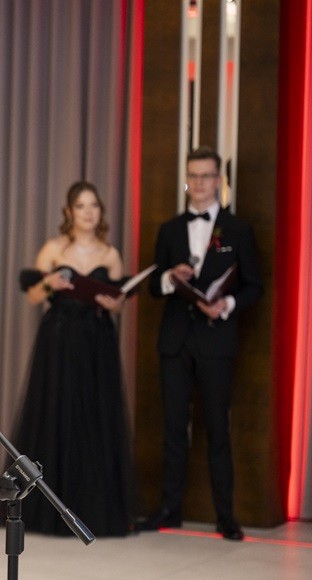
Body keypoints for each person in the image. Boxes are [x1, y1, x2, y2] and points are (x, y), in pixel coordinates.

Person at [0, 181, 134, 537]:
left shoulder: (110, 254)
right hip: (59, 340)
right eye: (81, 206)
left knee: (94, 418)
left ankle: (93, 508)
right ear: (69, 211)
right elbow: (33, 296)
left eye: (94, 206)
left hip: (97, 342)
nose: (88, 212)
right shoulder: (54, 249)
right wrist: (49, 285)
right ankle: (47, 508)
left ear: (101, 212)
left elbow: (118, 302)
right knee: (56, 413)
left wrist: (114, 303)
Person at [138, 146, 262, 541]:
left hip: (216, 342)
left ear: (219, 180)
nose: (200, 182)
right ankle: (169, 510)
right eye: (193, 175)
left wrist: (226, 305)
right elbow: (153, 286)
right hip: (175, 342)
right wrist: (169, 278)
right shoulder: (170, 229)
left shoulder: (238, 230)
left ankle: (225, 516)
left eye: (207, 175)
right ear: (186, 179)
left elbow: (254, 286)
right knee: (173, 427)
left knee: (218, 429)